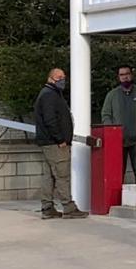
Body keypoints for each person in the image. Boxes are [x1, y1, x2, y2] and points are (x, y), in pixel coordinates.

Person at [33, 68, 88, 220]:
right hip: (55, 144)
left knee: (49, 176)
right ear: (50, 78)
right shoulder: (50, 95)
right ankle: (69, 207)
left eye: (64, 77)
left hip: (48, 143)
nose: (62, 80)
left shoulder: (49, 94)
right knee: (62, 175)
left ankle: (47, 207)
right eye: (59, 77)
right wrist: (60, 139)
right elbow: (50, 120)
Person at [101, 65, 136, 184]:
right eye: (122, 75)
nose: (125, 77)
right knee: (117, 173)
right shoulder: (112, 95)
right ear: (118, 77)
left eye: (127, 74)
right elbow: (106, 115)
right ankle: (117, 199)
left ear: (131, 74)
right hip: (118, 141)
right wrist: (112, 132)